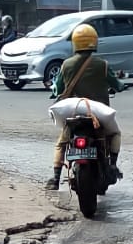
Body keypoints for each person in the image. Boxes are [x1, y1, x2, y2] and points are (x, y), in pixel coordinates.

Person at [45, 23, 125, 191]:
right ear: (94, 42)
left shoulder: (66, 64)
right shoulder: (102, 65)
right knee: (115, 134)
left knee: (62, 143)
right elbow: (116, 84)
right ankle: (112, 165)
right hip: (98, 113)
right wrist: (122, 85)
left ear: (75, 43)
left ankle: (55, 178)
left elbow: (58, 88)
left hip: (73, 112)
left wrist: (55, 91)